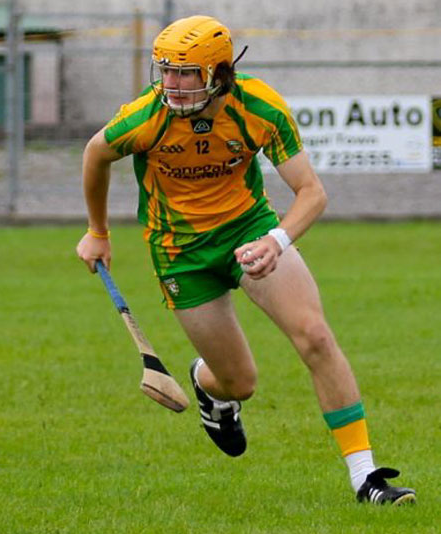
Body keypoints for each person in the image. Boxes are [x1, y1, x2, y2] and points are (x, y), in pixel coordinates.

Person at [76, 15, 415, 505]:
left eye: (184, 73)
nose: (170, 83)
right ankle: (209, 386)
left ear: (217, 72)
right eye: (165, 70)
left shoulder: (258, 106)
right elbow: (94, 153)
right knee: (241, 382)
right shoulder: (146, 116)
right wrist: (97, 232)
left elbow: (312, 193)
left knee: (316, 336)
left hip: (249, 230)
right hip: (180, 252)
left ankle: (365, 477)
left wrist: (276, 240)